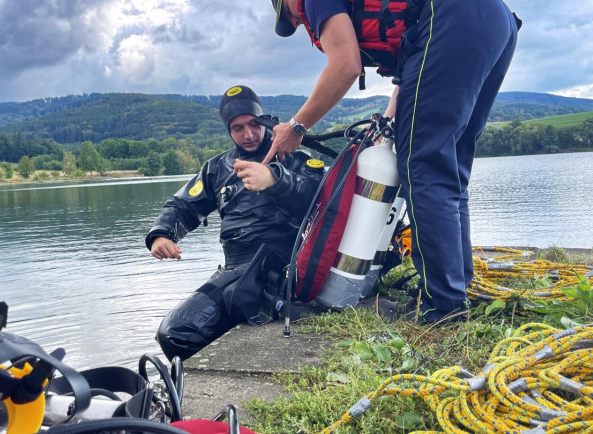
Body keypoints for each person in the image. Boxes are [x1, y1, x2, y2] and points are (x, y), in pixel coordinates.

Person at [267, 0, 520, 322]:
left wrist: (297, 127)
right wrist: (386, 121)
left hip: (450, 17)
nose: (303, 24)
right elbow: (412, 67)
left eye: (291, 16)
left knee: (424, 170)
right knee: (450, 170)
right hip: (494, 21)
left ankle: (443, 307)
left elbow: (345, 65)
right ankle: (455, 288)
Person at [146, 85, 324, 360]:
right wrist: (162, 234)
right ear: (228, 130)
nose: (248, 134)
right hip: (236, 272)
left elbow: (321, 201)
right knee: (174, 334)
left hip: (283, 267)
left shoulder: (295, 158)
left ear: (265, 121)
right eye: (238, 127)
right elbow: (183, 205)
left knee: (179, 331)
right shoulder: (216, 168)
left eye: (254, 124)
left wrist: (277, 181)